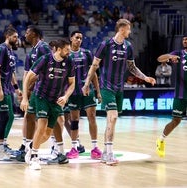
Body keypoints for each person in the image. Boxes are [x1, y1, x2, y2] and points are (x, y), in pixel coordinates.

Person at [82, 19, 156, 165]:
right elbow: (94, 66)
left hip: (119, 88)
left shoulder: (128, 46)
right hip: (106, 86)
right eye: (128, 29)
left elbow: (132, 67)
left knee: (112, 120)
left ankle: (105, 152)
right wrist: (86, 84)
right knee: (113, 117)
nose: (130, 32)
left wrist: (145, 77)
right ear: (122, 29)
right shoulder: (106, 45)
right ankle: (109, 154)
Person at [20, 39, 75, 170]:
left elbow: (72, 83)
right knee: (42, 124)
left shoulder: (69, 62)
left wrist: (66, 96)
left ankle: (31, 147)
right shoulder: (45, 59)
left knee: (47, 133)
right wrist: (25, 98)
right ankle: (34, 157)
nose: (69, 52)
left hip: (56, 100)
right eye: (67, 49)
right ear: (59, 49)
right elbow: (28, 77)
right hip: (41, 96)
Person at [15, 25, 51, 162]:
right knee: (28, 117)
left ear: (34, 34)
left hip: (46, 90)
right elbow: (28, 74)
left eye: (27, 32)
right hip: (35, 90)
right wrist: (24, 91)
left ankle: (55, 148)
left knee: (52, 120)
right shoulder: (32, 52)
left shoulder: (43, 48)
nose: (25, 35)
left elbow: (44, 71)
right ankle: (26, 146)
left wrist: (28, 89)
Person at [0, 27, 22, 161]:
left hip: (6, 87)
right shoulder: (1, 49)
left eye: (17, 37)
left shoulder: (11, 51)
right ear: (7, 36)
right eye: (14, 37)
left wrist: (17, 88)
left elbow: (11, 72)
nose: (16, 39)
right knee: (4, 117)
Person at [66, 30, 102, 160]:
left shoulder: (87, 53)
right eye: (77, 37)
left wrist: (98, 92)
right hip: (72, 92)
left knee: (92, 117)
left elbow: (93, 74)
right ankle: (74, 148)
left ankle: (95, 148)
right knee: (74, 120)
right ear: (71, 38)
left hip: (87, 91)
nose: (79, 40)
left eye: (81, 38)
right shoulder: (66, 54)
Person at [156, 35, 187, 158]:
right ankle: (161, 140)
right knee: (176, 121)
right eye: (184, 39)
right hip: (181, 94)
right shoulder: (178, 53)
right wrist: (170, 56)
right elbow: (159, 59)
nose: (185, 41)